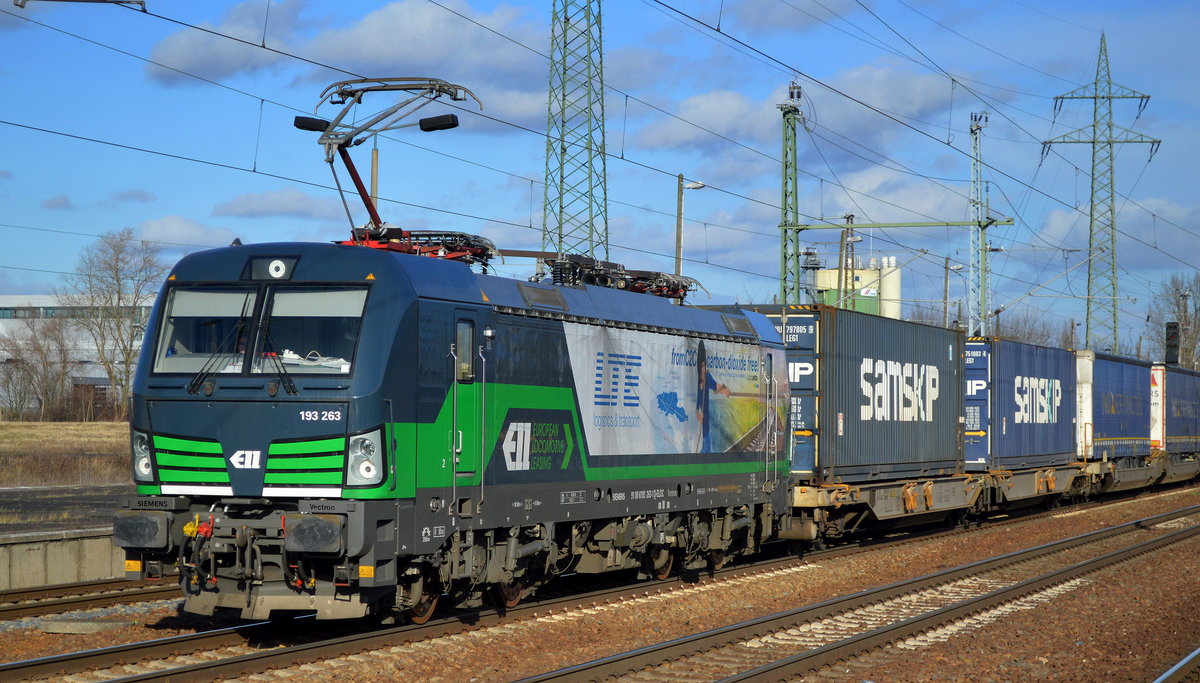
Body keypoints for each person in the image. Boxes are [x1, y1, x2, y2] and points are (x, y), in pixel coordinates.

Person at [695, 341, 731, 452]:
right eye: (702, 366)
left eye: (704, 365)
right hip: (703, 418)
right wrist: (697, 412)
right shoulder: (700, 380)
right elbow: (698, 401)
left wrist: (724, 389)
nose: (703, 368)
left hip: (706, 419)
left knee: (707, 444)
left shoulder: (707, 377)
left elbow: (716, 388)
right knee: (706, 445)